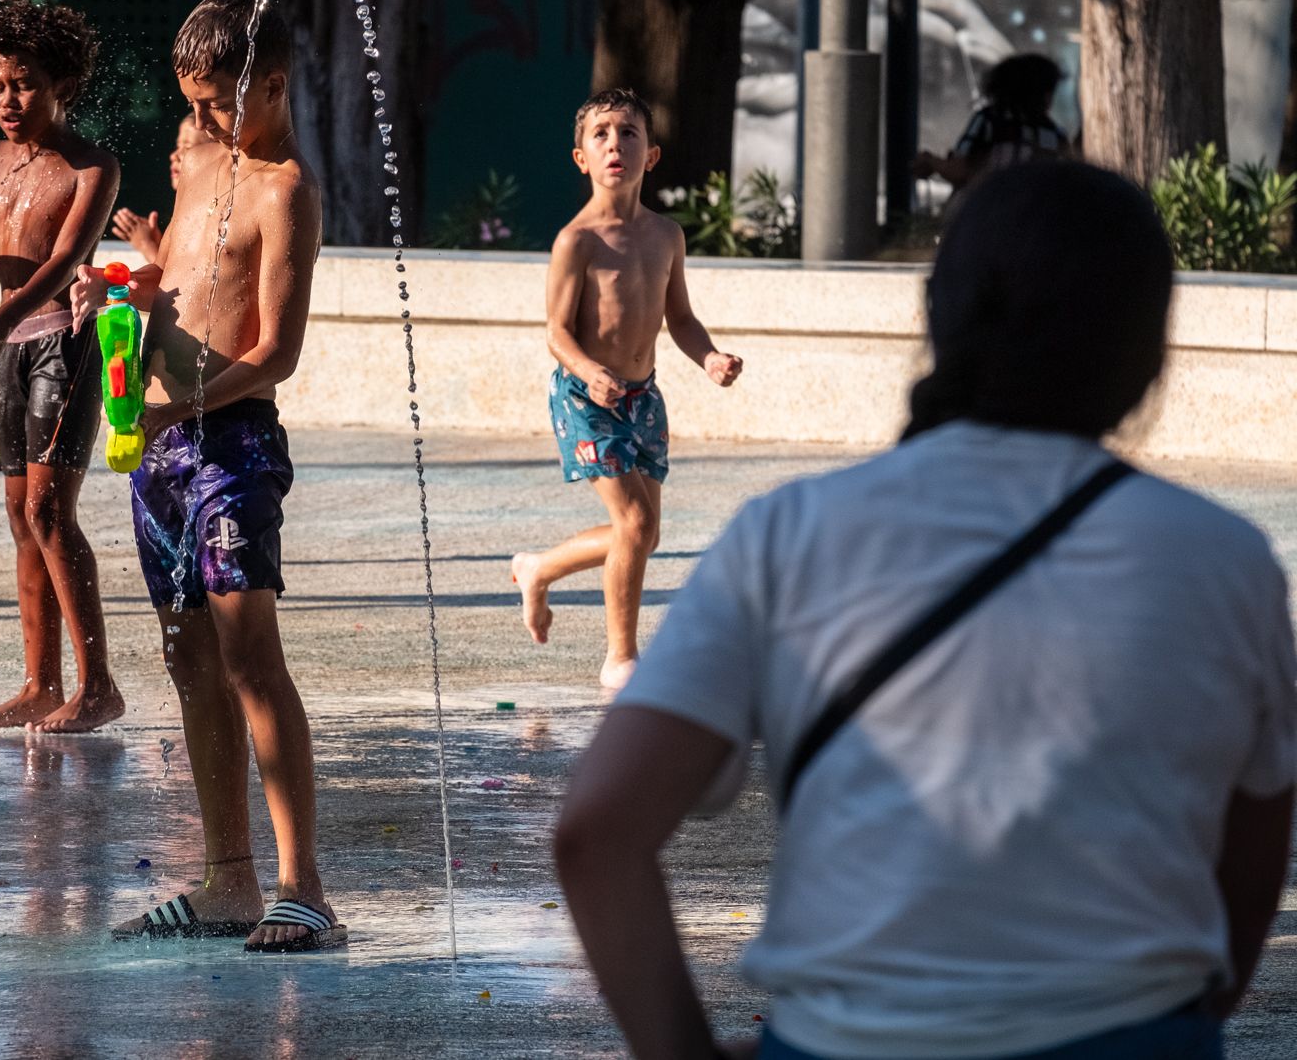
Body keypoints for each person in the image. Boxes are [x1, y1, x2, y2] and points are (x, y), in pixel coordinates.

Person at [555, 160, 1296, 1060]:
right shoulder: (1224, 561)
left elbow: (598, 833)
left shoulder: (788, 536)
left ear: (940, 315)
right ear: (1147, 352)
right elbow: (1250, 870)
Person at [76, 0, 343, 952]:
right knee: (187, 656)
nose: (197, 120)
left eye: (218, 102)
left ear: (271, 86)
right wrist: (136, 287)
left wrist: (176, 406)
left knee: (247, 655)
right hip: (161, 449)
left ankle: (302, 884)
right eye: (190, 100)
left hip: (231, 446)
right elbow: (186, 289)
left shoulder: (287, 191)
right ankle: (228, 878)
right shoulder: (198, 164)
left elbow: (274, 353)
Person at [509, 89, 742, 691]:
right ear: (581, 158)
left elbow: (681, 319)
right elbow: (557, 333)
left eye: (629, 133)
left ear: (653, 154)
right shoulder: (577, 241)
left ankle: (539, 568)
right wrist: (589, 371)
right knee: (635, 522)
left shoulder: (666, 236)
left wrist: (709, 357)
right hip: (586, 399)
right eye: (602, 135)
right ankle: (621, 659)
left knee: (643, 534)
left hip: (643, 397)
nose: (617, 143)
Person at [0, 0, 125, 735]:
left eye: (23, 84)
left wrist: (2, 313)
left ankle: (98, 684)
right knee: (21, 515)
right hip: (10, 347)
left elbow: (62, 263)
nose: (8, 100)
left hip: (61, 343)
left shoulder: (91, 165)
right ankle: (40, 682)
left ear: (62, 87)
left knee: (52, 510)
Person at [915, 52, 1070, 191]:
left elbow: (959, 171)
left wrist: (931, 161)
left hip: (991, 216)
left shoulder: (990, 120)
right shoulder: (1056, 134)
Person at [111, 113, 212, 266]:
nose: (174, 156)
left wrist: (146, 245)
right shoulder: (188, 209)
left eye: (188, 148)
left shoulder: (209, 214)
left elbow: (180, 281)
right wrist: (160, 247)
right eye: (178, 147)